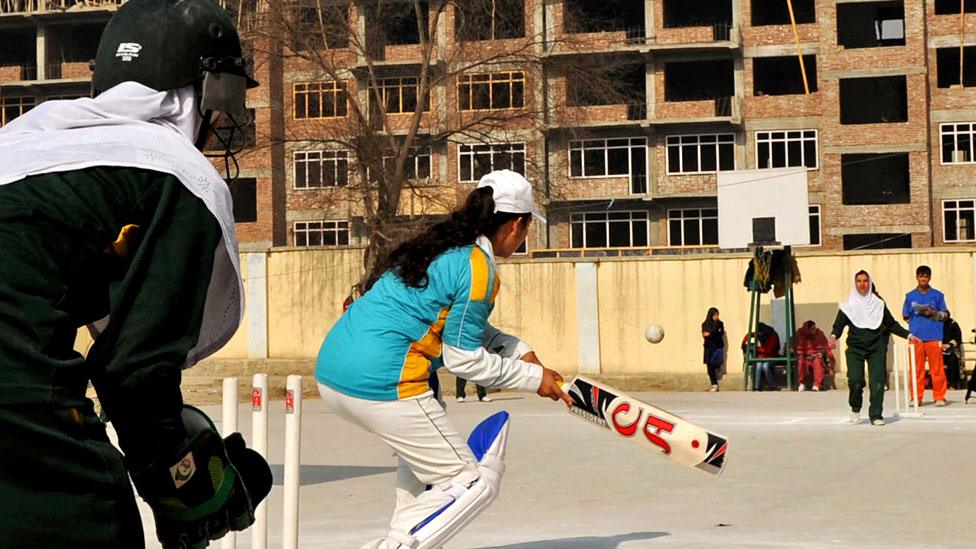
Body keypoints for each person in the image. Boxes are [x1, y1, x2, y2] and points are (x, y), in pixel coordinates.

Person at [0, 0, 272, 547]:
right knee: (96, 519)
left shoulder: (24, 142)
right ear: (207, 90)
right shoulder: (170, 168)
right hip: (16, 401)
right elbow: (132, 366)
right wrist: (183, 483)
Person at [315, 169, 572, 549]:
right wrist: (534, 379)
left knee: (423, 472)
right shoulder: (478, 266)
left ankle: (402, 536)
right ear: (518, 223)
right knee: (471, 482)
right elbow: (463, 359)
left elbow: (453, 321)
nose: (525, 238)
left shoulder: (441, 249)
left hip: (334, 374)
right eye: (528, 228)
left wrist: (517, 350)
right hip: (383, 381)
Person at [831, 270, 919, 426]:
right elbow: (838, 326)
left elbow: (891, 324)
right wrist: (832, 337)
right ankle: (855, 408)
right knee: (856, 381)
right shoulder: (847, 306)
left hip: (876, 347)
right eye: (859, 281)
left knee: (877, 382)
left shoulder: (879, 304)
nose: (862, 284)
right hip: (855, 349)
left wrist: (908, 335)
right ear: (855, 283)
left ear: (869, 283)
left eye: (865, 281)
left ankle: (876, 414)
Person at [901, 265, 950, 406]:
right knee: (916, 369)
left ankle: (939, 396)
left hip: (934, 336)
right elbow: (905, 315)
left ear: (930, 277)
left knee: (937, 369)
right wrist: (915, 323)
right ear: (916, 277)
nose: (923, 278)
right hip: (916, 338)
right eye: (921, 276)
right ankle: (916, 397)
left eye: (926, 276)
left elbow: (946, 315)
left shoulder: (938, 295)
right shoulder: (909, 296)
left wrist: (933, 314)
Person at [742, 323, 780, 391]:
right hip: (761, 357)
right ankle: (756, 386)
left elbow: (769, 350)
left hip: (772, 357)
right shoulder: (758, 334)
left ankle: (772, 385)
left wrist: (756, 349)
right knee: (758, 364)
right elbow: (746, 338)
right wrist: (745, 345)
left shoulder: (773, 335)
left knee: (765, 366)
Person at [794, 320, 829, 391]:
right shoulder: (799, 335)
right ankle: (801, 383)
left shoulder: (819, 334)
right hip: (803, 356)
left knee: (817, 362)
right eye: (812, 329)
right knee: (801, 362)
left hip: (815, 356)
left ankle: (817, 385)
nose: (814, 331)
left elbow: (824, 347)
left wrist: (820, 353)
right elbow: (792, 347)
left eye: (814, 328)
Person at [702, 307, 725, 392]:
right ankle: (714, 384)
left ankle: (718, 371)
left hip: (718, 347)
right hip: (709, 347)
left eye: (717, 314)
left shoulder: (720, 324)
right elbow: (705, 335)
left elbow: (720, 334)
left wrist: (710, 334)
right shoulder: (705, 324)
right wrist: (715, 333)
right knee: (709, 365)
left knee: (716, 363)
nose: (716, 316)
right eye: (715, 314)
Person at [941, 312, 963, 390]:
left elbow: (958, 338)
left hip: (951, 350)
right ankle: (940, 386)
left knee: (952, 362)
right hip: (938, 350)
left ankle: (953, 385)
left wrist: (949, 345)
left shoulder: (953, 324)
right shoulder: (936, 324)